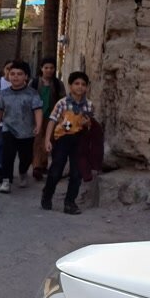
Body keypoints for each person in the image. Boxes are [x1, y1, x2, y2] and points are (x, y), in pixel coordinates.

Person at [41, 72, 94, 214]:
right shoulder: (62, 103)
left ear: (87, 87)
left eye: (83, 84)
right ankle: (47, 194)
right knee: (56, 170)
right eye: (77, 84)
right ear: (70, 86)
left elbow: (89, 125)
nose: (80, 87)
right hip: (62, 139)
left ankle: (70, 202)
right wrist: (47, 140)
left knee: (77, 173)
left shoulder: (88, 105)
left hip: (79, 140)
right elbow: (52, 121)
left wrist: (87, 123)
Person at [0, 61, 43, 193]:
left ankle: (22, 172)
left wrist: (38, 125)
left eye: (19, 74)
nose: (15, 77)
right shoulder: (4, 93)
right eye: (12, 74)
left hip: (27, 131)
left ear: (26, 77)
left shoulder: (32, 94)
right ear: (8, 75)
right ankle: (6, 181)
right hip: (8, 128)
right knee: (7, 155)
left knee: (26, 157)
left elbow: (37, 110)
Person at [29, 57, 66, 180]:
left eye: (51, 68)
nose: (49, 70)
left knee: (48, 140)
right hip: (36, 116)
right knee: (37, 141)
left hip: (52, 118)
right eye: (46, 68)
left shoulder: (57, 84)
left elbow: (63, 100)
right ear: (41, 69)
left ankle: (42, 165)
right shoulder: (34, 83)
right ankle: (37, 167)